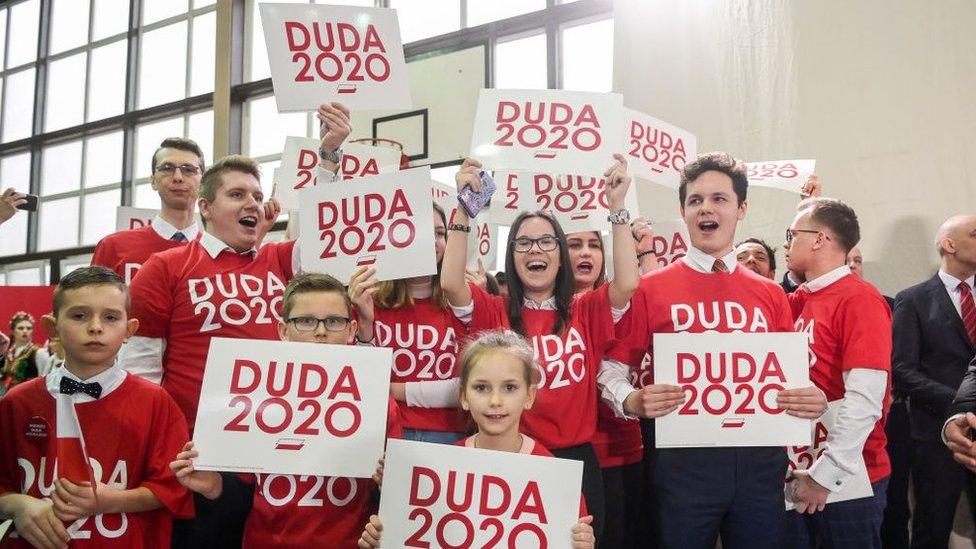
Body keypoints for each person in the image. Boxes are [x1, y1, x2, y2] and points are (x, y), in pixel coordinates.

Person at [123, 103, 351, 547]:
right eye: (237, 195)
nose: (253, 203)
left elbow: (327, 238)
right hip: (204, 457)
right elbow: (142, 369)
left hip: (274, 449)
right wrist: (159, 448)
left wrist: (329, 157)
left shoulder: (278, 259)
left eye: (255, 194)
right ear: (205, 207)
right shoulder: (165, 267)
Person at [599, 152, 828, 549]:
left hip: (760, 462)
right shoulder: (651, 288)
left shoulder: (772, 294)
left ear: (741, 209)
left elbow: (791, 379)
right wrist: (631, 399)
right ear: (684, 211)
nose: (706, 208)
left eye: (719, 199)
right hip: (681, 463)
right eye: (695, 200)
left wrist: (812, 398)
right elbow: (611, 368)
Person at [427, 154, 639, 541]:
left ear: (561, 256)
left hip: (578, 461)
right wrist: (463, 207)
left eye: (546, 241)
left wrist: (618, 207)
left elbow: (627, 283)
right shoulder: (493, 310)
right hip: (511, 457)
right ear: (511, 256)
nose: (535, 250)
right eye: (523, 243)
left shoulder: (585, 309)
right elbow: (451, 283)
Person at [169, 273, 399, 548]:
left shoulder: (380, 404)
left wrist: (391, 481)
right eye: (305, 321)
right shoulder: (252, 396)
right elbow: (240, 488)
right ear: (282, 331)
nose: (321, 331)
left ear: (351, 330)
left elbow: (392, 496)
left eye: (334, 321)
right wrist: (213, 485)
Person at [0, 267, 191, 547]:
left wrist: (112, 500)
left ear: (129, 330)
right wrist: (16, 505)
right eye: (79, 316)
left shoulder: (156, 403)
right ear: (52, 327)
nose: (96, 327)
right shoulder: (17, 402)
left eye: (111, 317)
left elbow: (172, 488)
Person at [357, 330, 596, 549]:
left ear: (529, 395)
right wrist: (384, 539)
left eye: (510, 387)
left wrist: (580, 544)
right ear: (463, 396)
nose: (495, 401)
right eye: (481, 388)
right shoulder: (439, 469)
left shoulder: (553, 476)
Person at [782, 197, 891, 548]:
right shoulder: (801, 299)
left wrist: (825, 476)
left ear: (818, 239)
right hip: (802, 467)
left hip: (849, 477)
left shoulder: (859, 299)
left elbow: (865, 398)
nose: (787, 243)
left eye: (792, 233)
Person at [349, 203, 468, 445]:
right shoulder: (367, 298)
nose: (433, 241)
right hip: (383, 430)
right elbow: (361, 380)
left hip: (449, 436)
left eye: (440, 233)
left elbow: (469, 388)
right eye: (423, 231)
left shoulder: (463, 301)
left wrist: (395, 389)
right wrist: (365, 325)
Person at [897, 214, 976, 548]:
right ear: (949, 244)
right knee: (932, 529)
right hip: (935, 438)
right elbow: (903, 370)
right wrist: (962, 405)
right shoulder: (913, 299)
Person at [564, 228, 644, 549]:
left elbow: (626, 284)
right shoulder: (537, 309)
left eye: (594, 246)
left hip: (618, 452)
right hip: (562, 454)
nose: (586, 253)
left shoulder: (616, 305)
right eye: (574, 244)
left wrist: (618, 210)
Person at [91, 138, 206, 283]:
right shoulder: (113, 247)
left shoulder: (221, 251)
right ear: (153, 181)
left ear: (203, 182)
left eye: (188, 170)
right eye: (167, 168)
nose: (178, 177)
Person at [1, 312, 49, 394]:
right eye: (20, 328)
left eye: (29, 328)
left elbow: (44, 381)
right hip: (6, 398)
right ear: (13, 331)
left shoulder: (39, 353)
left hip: (27, 399)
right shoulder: (8, 353)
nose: (25, 331)